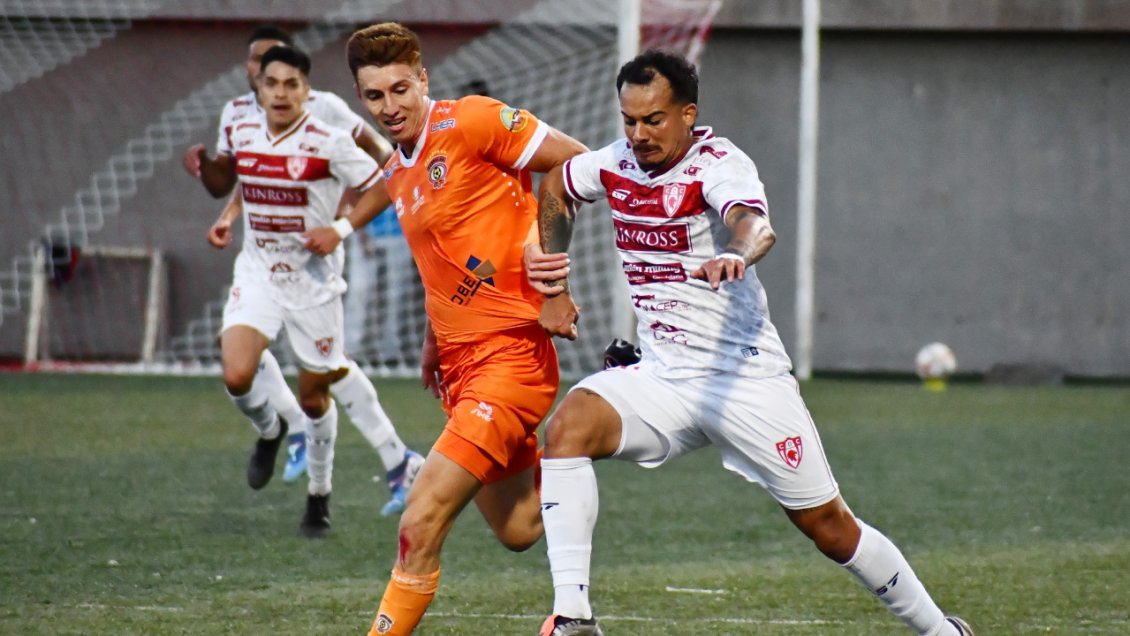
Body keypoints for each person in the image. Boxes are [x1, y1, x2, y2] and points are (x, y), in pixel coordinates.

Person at [525, 50, 974, 636]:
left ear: (688, 114)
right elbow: (558, 183)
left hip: (743, 379)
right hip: (662, 377)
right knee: (568, 429)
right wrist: (554, 287)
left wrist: (734, 254)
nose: (638, 135)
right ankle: (575, 620)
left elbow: (752, 222)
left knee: (830, 528)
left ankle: (942, 632)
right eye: (628, 120)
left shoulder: (720, 164)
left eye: (653, 120)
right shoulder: (613, 164)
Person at [317, 21, 585, 635]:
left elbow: (572, 166)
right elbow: (444, 265)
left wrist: (554, 285)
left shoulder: (470, 121)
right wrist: (434, 342)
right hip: (463, 370)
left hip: (511, 357)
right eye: (375, 96)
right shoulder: (398, 173)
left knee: (420, 516)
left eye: (400, 89)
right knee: (518, 530)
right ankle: (583, 443)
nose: (390, 106)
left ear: (423, 79)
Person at [186, 26, 421, 514]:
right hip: (261, 265)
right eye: (257, 65)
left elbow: (381, 159)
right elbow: (243, 178)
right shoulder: (237, 116)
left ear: (301, 82)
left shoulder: (327, 112)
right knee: (242, 364)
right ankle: (294, 432)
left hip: (316, 263)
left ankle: (392, 459)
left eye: (278, 71)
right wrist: (227, 213)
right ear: (254, 76)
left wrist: (346, 222)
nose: (264, 75)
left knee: (327, 374)